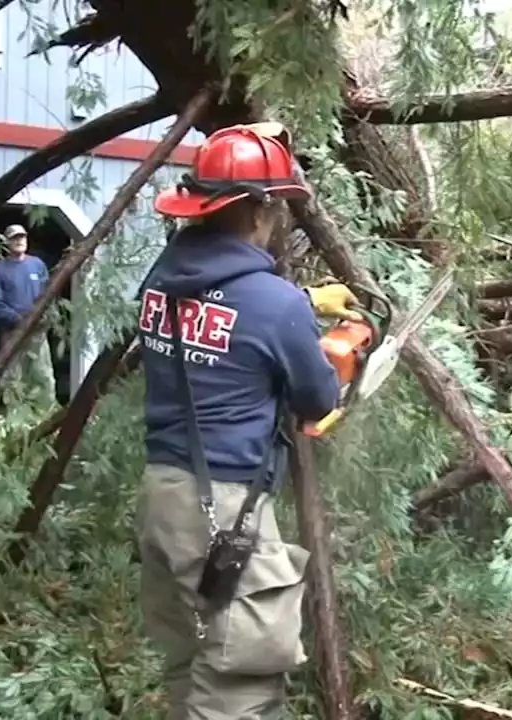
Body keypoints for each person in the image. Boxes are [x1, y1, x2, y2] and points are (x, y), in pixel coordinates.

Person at [135, 122, 363, 719]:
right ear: (261, 208)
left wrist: (304, 303)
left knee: (190, 664)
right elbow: (315, 402)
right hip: (224, 509)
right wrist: (323, 345)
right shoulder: (273, 304)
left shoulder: (162, 278)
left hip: (163, 495)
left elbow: (226, 316)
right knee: (241, 688)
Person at [0, 223, 55, 409]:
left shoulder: (37, 265)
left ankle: (44, 414)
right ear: (7, 242)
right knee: (13, 378)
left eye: (22, 237)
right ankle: (16, 419)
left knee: (43, 375)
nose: (19, 241)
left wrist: (45, 317)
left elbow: (48, 295)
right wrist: (17, 320)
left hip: (38, 333)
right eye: (14, 238)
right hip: (13, 333)